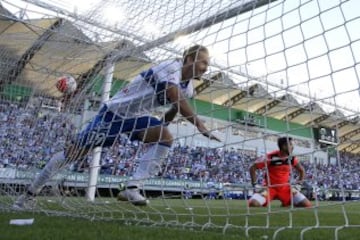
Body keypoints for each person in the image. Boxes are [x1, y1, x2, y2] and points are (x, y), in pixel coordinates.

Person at [14, 44, 220, 208]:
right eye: (204, 62)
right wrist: (199, 125)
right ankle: (30, 193)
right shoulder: (170, 67)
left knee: (166, 137)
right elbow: (174, 95)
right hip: (113, 114)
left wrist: (164, 122)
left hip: (136, 117)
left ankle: (132, 187)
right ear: (190, 59)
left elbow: (177, 104)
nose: (206, 68)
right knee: (74, 153)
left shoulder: (189, 88)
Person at [248, 137, 312, 208]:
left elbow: (302, 170)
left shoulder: (292, 158)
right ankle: (281, 202)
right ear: (284, 146)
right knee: (253, 203)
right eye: (290, 144)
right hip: (269, 188)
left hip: (285, 188)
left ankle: (287, 203)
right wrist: (255, 185)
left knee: (307, 204)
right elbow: (252, 168)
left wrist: (299, 184)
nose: (292, 147)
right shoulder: (271, 157)